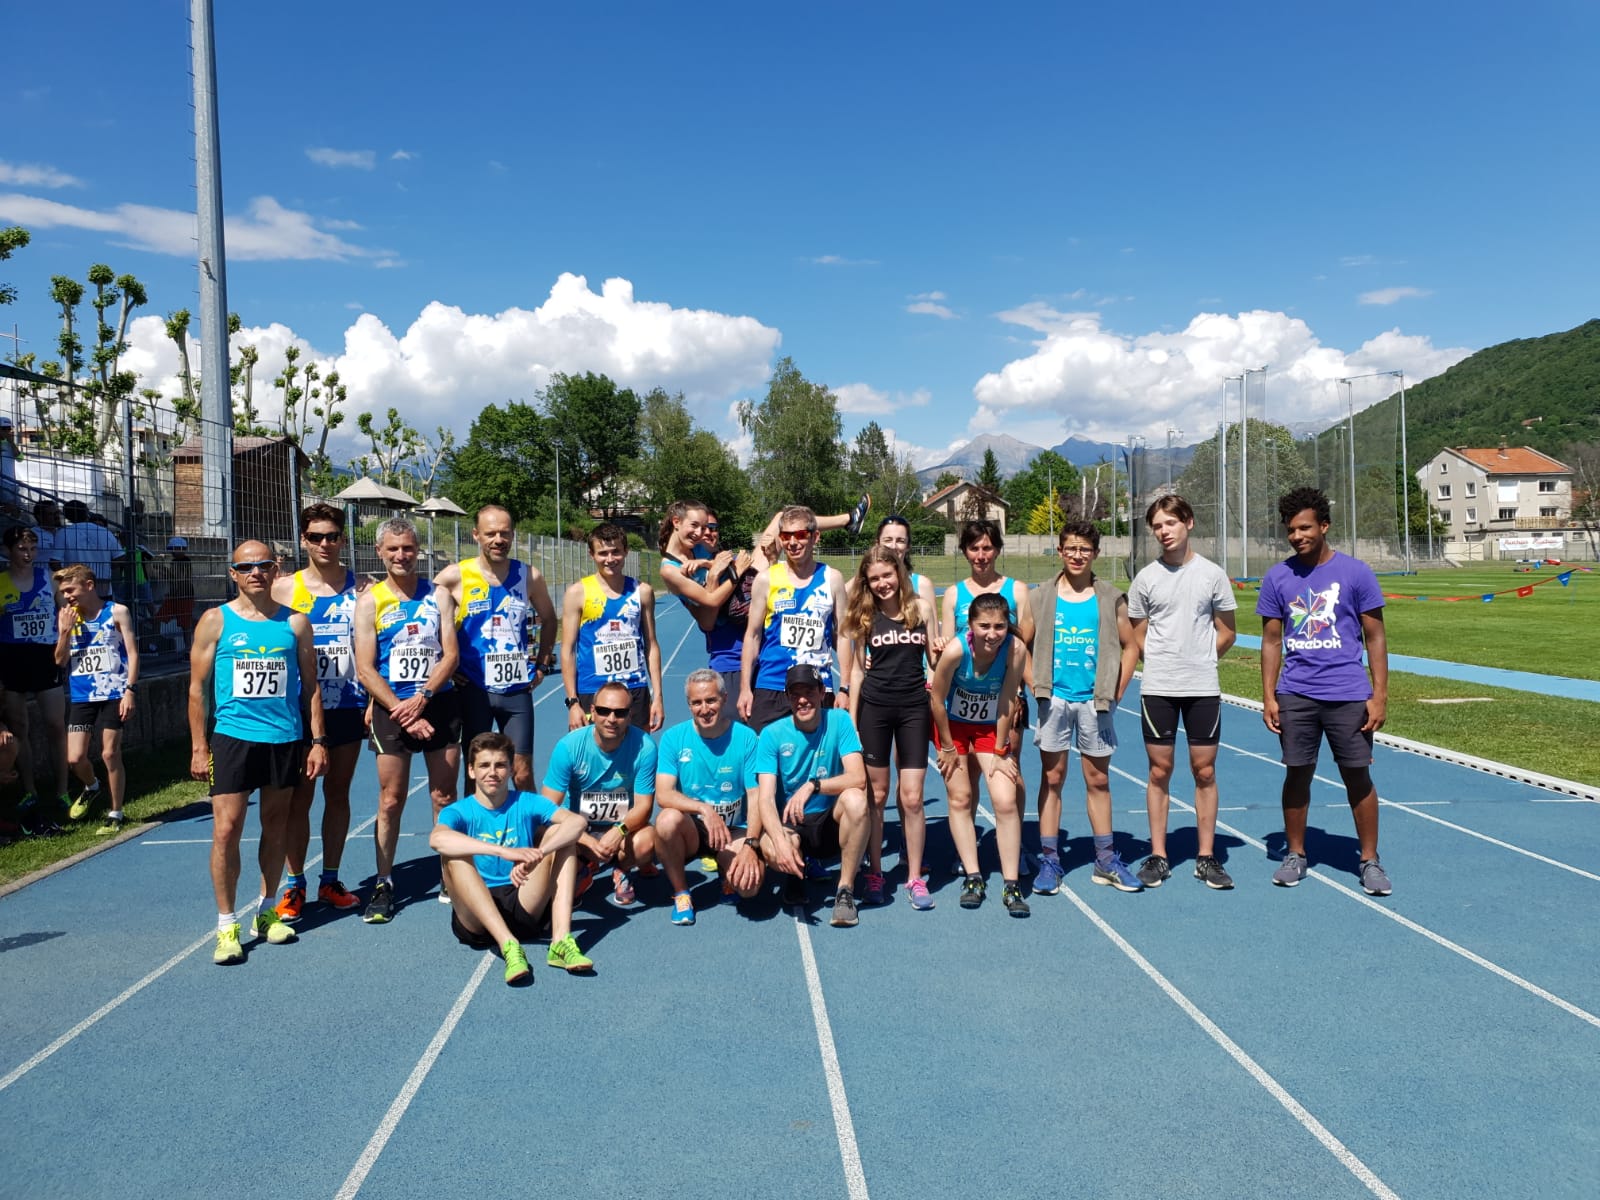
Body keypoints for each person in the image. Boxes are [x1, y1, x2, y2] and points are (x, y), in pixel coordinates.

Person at [188, 540, 327, 965]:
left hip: (284, 737)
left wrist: (317, 741)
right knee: (226, 829)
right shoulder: (216, 620)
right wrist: (199, 746)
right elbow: (196, 689)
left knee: (276, 825)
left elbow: (311, 686)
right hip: (233, 737)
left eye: (264, 565)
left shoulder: (296, 623)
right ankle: (226, 923)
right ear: (233, 573)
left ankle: (267, 911)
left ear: (275, 570)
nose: (256, 573)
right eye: (246, 567)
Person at [1257, 486, 1393, 896]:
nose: (1297, 536)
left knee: (1357, 775)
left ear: (1324, 526)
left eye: (1305, 528)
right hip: (1296, 693)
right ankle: (1295, 854)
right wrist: (1268, 696)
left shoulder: (1356, 573)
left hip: (1348, 693)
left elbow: (1375, 636)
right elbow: (1271, 641)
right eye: (1291, 530)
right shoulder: (1277, 577)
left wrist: (1379, 695)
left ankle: (1369, 859)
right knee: (1297, 773)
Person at [353, 516, 461, 924]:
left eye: (408, 548)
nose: (401, 556)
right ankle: (384, 881)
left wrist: (424, 696)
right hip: (391, 708)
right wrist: (402, 710)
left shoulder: (439, 596)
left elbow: (450, 655)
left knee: (443, 795)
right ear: (380, 552)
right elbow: (365, 668)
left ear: (418, 551)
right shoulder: (370, 602)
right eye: (393, 549)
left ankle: (450, 874)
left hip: (437, 703)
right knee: (390, 799)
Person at [1128, 494, 1238, 889]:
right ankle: (1159, 855)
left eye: (1170, 523)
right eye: (1157, 526)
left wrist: (1202, 659)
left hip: (1202, 687)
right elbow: (1137, 634)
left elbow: (1227, 631)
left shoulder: (1213, 575)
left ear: (1188, 522)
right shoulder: (1145, 579)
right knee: (1160, 771)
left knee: (1204, 770)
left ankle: (1206, 857)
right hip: (1159, 687)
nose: (1164, 531)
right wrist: (1163, 662)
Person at [1028, 522, 1141, 893]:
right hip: (1055, 700)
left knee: (1098, 780)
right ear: (1061, 551)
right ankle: (1050, 859)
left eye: (1085, 549)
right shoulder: (1041, 596)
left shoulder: (1110, 597)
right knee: (1053, 779)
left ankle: (1105, 860)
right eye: (1071, 548)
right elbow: (1019, 645)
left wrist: (1117, 689)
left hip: (1095, 701)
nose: (1077, 555)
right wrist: (1034, 683)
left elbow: (1131, 645)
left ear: (1096, 553)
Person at [269, 504, 367, 920]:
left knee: (338, 792)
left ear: (343, 539)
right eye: (316, 537)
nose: (325, 544)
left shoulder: (363, 588)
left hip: (348, 703)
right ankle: (295, 884)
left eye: (332, 536)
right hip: (300, 707)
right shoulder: (283, 589)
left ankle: (330, 879)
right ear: (303, 540)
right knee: (299, 798)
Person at [430, 732, 588, 985]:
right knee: (453, 856)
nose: (492, 772)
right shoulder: (458, 811)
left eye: (500, 765)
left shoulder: (527, 802)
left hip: (521, 897)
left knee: (562, 838)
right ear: (471, 771)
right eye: (484, 765)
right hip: (476, 915)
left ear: (512, 769)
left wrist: (537, 855)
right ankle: (509, 945)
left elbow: (577, 823)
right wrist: (504, 852)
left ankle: (560, 941)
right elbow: (437, 839)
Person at [436, 504, 558, 793]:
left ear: (513, 535)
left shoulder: (529, 576)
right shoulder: (455, 576)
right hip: (473, 688)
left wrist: (542, 665)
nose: (498, 540)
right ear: (476, 535)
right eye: (490, 533)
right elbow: (425, 618)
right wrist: (445, 665)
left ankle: (527, 822)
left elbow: (550, 619)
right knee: (475, 772)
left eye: (504, 533)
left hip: (515, 689)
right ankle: (475, 823)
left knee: (522, 772)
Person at [539, 680, 660, 967]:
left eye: (620, 713)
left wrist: (619, 831)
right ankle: (585, 866)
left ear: (630, 714)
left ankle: (621, 869)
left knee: (649, 841)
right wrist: (582, 838)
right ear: (592, 711)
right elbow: (546, 807)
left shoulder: (644, 746)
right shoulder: (570, 746)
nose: (611, 719)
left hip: (620, 828)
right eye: (604, 711)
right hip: (578, 830)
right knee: (546, 834)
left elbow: (644, 806)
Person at [940, 519, 1033, 876]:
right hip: (962, 700)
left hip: (1005, 698)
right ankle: (970, 853)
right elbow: (946, 644)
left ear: (997, 549)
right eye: (974, 548)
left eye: (987, 548)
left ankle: (1015, 845)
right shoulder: (954, 594)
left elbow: (1021, 644)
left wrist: (1020, 689)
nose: (981, 555)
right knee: (968, 780)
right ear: (965, 552)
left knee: (1008, 771)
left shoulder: (1017, 590)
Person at [844, 546, 934, 909]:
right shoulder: (865, 616)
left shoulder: (921, 609)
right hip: (876, 710)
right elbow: (856, 671)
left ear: (899, 573)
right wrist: (852, 722)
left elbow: (934, 660)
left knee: (912, 797)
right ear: (866, 582)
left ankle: (914, 877)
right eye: (874, 578)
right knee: (877, 796)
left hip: (914, 709)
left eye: (887, 575)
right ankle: (875, 872)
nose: (883, 583)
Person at [929, 592, 1030, 914]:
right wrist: (947, 747)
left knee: (1005, 799)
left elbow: (1008, 700)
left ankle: (1011, 883)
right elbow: (936, 700)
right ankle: (973, 877)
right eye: (984, 626)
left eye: (999, 626)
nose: (992, 634)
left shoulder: (1015, 649)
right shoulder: (956, 650)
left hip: (989, 726)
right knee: (960, 798)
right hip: (952, 726)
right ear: (970, 625)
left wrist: (1001, 749)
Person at [751, 664, 870, 926]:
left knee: (856, 800)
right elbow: (765, 799)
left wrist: (813, 786)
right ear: (787, 698)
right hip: (791, 824)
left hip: (828, 822)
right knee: (772, 847)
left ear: (821, 693)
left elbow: (858, 777)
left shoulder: (839, 721)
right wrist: (780, 842)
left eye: (809, 692)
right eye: (795, 694)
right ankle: (794, 876)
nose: (802, 700)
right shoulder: (771, 735)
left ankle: (845, 890)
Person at [652, 670, 765, 924]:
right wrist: (705, 810)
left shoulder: (746, 738)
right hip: (694, 830)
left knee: (749, 888)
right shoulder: (673, 738)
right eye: (697, 703)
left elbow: (756, 795)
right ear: (689, 704)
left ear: (724, 698)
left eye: (711, 700)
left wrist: (750, 845)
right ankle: (682, 893)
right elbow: (664, 794)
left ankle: (726, 868)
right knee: (666, 821)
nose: (704, 709)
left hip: (733, 831)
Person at [738, 506, 848, 732]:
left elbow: (844, 635)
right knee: (763, 751)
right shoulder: (766, 579)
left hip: (817, 686)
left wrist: (845, 687)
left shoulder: (832, 579)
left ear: (815, 537)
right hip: (773, 685)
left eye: (800, 535)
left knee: (818, 753)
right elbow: (752, 635)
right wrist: (745, 688)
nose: (793, 542)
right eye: (786, 536)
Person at [53, 565, 139, 834]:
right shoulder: (67, 616)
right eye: (63, 592)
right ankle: (92, 786)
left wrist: (130, 690)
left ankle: (116, 812)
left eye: (71, 590)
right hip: (83, 695)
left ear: (89, 586)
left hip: (114, 691)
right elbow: (60, 660)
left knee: (109, 753)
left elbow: (133, 653)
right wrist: (65, 632)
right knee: (75, 758)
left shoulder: (117, 612)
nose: (67, 596)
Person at [560, 523, 664, 732]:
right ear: (592, 555)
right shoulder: (577, 593)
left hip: (634, 688)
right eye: (603, 553)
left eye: (615, 551)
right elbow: (567, 649)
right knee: (592, 751)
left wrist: (658, 697)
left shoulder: (642, 592)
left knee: (637, 750)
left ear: (626, 551)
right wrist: (573, 702)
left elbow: (651, 644)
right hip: (593, 690)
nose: (610, 559)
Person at [1, 525, 68, 833]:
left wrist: (66, 639)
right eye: (21, 549)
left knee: (55, 723)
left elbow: (66, 612)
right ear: (8, 551)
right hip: (12, 658)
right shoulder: (1, 583)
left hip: (45, 656)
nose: (28, 555)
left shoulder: (49, 578)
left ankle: (62, 789)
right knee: (19, 727)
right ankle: (30, 789)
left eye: (32, 549)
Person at [658, 500, 750, 696]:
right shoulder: (670, 570)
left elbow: (723, 557)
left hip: (747, 619)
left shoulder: (697, 546)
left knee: (777, 525)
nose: (700, 533)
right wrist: (735, 573)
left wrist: (705, 563)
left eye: (704, 527)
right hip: (727, 630)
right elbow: (711, 602)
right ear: (676, 522)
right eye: (694, 525)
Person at [54, 500, 124, 600]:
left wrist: (67, 578)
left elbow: (54, 562)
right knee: (103, 609)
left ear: (66, 516)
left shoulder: (63, 533)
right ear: (87, 513)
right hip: (102, 586)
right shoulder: (105, 532)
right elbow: (120, 557)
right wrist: (106, 566)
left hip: (76, 586)